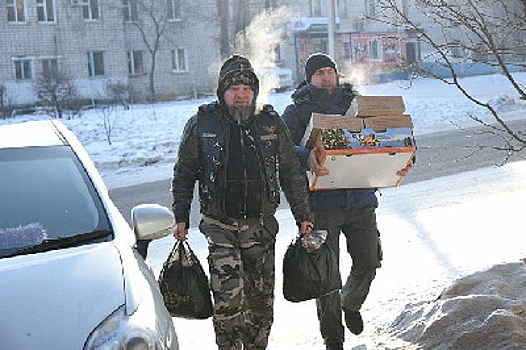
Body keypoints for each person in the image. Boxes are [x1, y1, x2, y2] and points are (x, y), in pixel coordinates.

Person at [170, 54, 313, 350]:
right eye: (234, 88)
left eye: (246, 88)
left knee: (260, 302)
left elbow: (290, 172)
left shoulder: (270, 122)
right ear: (222, 92)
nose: (241, 93)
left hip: (260, 225)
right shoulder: (202, 123)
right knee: (228, 299)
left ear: (255, 91)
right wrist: (180, 215)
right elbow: (184, 173)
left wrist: (303, 215)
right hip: (219, 225)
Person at [281, 53, 413, 350]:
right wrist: (306, 157)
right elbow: (281, 148)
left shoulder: (357, 103)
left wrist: (404, 157)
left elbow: (387, 136)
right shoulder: (296, 110)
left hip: (361, 197)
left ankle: (350, 303)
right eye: (319, 73)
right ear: (309, 79)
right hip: (320, 204)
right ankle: (333, 338)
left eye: (330, 71)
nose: (326, 77)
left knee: (369, 260)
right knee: (326, 274)